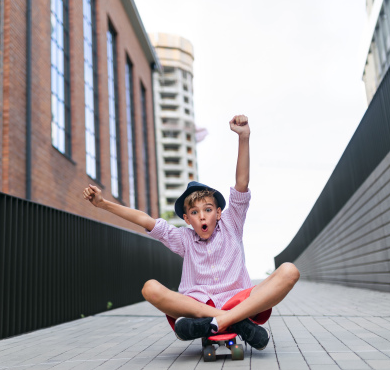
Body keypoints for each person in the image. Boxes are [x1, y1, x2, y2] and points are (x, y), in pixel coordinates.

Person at [82, 115, 299, 350]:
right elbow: (145, 219)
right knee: (150, 288)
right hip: (199, 305)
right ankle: (237, 324)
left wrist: (244, 137)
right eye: (195, 212)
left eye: (208, 210)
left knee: (290, 271)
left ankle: (220, 322)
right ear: (187, 219)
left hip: (240, 299)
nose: (203, 216)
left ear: (218, 212)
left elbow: (242, 183)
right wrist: (104, 204)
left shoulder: (232, 223)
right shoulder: (183, 238)